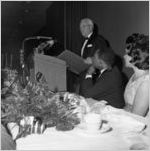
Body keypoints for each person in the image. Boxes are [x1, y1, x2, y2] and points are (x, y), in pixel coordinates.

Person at [79, 44, 125, 108]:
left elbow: (87, 93)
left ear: (101, 63)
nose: (91, 58)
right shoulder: (112, 69)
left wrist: (89, 73)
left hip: (111, 112)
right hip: (105, 106)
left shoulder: (110, 76)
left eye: (94, 57)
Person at [124, 33, 149, 117]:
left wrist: (128, 108)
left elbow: (136, 117)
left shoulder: (146, 82)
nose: (124, 57)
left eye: (127, 54)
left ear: (135, 57)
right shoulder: (134, 76)